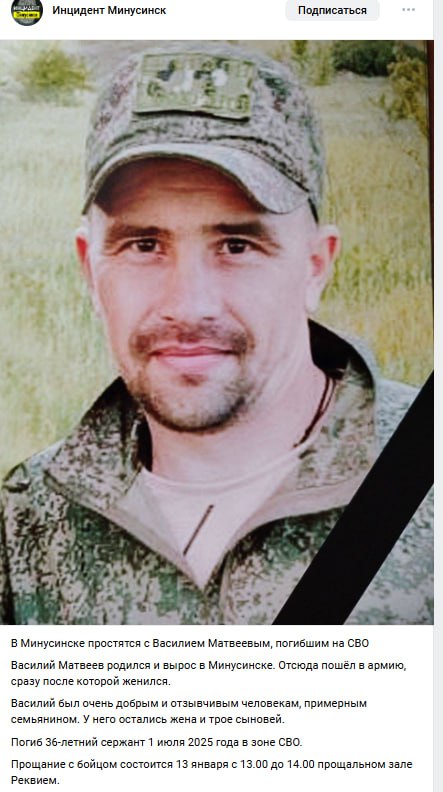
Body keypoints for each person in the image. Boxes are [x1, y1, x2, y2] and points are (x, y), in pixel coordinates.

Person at [0, 43, 432, 625]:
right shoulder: (28, 520)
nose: (189, 304)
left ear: (315, 266)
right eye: (144, 245)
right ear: (90, 270)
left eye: (236, 245)